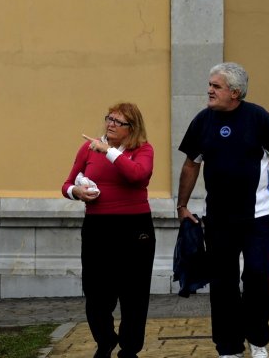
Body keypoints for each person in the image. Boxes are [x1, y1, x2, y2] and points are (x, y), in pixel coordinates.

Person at [177, 62, 269, 358]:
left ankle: (257, 338)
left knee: (256, 274)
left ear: (235, 92)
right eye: (210, 84)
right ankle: (228, 347)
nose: (209, 90)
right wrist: (181, 205)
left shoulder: (258, 117)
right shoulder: (203, 120)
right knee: (223, 284)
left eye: (216, 86)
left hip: (259, 217)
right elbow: (191, 164)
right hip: (218, 219)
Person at [62, 103, 155, 358]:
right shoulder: (88, 148)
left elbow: (138, 175)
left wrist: (110, 152)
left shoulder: (143, 150)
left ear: (132, 128)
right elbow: (67, 183)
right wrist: (76, 192)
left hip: (135, 227)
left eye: (118, 121)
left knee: (134, 294)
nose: (111, 124)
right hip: (98, 227)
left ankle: (129, 349)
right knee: (96, 292)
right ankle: (105, 341)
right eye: (109, 119)